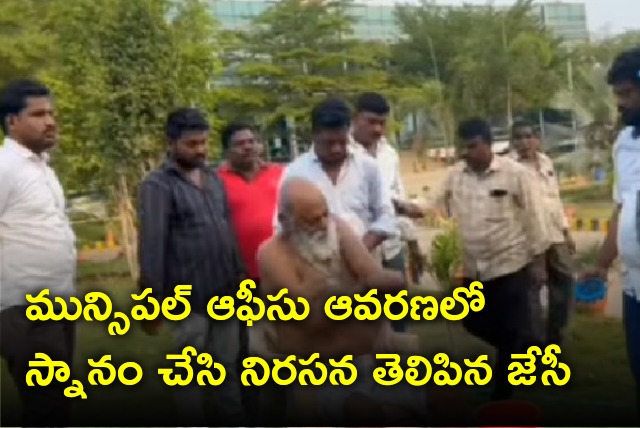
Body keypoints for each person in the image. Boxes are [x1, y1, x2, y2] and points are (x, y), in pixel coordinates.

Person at [258, 176, 465, 426]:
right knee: (365, 412)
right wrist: (360, 293)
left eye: (326, 214)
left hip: (376, 360)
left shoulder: (336, 227)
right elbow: (310, 322)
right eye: (312, 221)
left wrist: (398, 283)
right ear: (285, 222)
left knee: (448, 395)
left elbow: (376, 278)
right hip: (325, 373)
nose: (324, 224)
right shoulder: (272, 255)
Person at [423, 118, 549, 400]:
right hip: (474, 267)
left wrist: (539, 262)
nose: (466, 152)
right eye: (463, 147)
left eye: (472, 146)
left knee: (509, 325)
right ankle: (519, 347)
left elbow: (535, 217)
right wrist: (406, 207)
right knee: (472, 321)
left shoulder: (515, 174)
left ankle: (503, 394)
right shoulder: (456, 175)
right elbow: (431, 203)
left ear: (489, 145)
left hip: (510, 263)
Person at [137, 107, 247, 426]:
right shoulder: (157, 185)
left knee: (227, 369)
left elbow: (227, 229)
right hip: (187, 300)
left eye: (204, 142)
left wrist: (240, 276)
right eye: (192, 144)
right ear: (171, 143)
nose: (200, 150)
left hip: (225, 292)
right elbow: (153, 245)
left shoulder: (213, 178)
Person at [0, 79, 77, 427]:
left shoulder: (41, 166)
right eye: (39, 114)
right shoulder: (5, 168)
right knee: (47, 405)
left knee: (56, 403)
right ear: (12, 121)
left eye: (52, 113)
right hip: (24, 308)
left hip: (57, 303)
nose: (50, 121)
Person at [582, 47, 640, 420]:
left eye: (627, 94)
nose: (620, 104)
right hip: (635, 287)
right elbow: (621, 207)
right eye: (617, 94)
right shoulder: (625, 143)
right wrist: (602, 264)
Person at [216, 120, 284, 423]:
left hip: (281, 273)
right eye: (239, 143)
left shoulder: (281, 174)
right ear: (228, 150)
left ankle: (287, 405)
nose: (247, 147)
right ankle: (251, 412)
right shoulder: (217, 181)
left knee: (286, 342)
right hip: (242, 276)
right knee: (247, 350)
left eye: (252, 141)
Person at [274, 96, 397, 256]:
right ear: (314, 135)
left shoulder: (368, 167)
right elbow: (281, 227)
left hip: (367, 264)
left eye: (342, 142)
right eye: (329, 143)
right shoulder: (295, 173)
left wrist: (359, 251)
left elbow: (385, 215)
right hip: (316, 270)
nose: (337, 149)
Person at [349, 92, 425, 332]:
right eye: (371, 122)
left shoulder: (389, 154)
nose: (378, 129)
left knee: (398, 322)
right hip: (358, 249)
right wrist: (398, 206)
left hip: (391, 249)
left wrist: (413, 244)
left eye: (382, 123)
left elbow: (399, 198)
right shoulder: (340, 153)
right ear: (355, 118)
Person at [511, 120, 577, 346]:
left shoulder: (546, 162)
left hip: (555, 235)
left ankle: (554, 338)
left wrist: (566, 232)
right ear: (512, 142)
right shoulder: (509, 168)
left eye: (528, 136)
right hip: (528, 240)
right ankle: (534, 344)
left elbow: (555, 199)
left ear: (537, 139)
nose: (524, 142)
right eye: (518, 137)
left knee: (565, 285)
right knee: (531, 292)